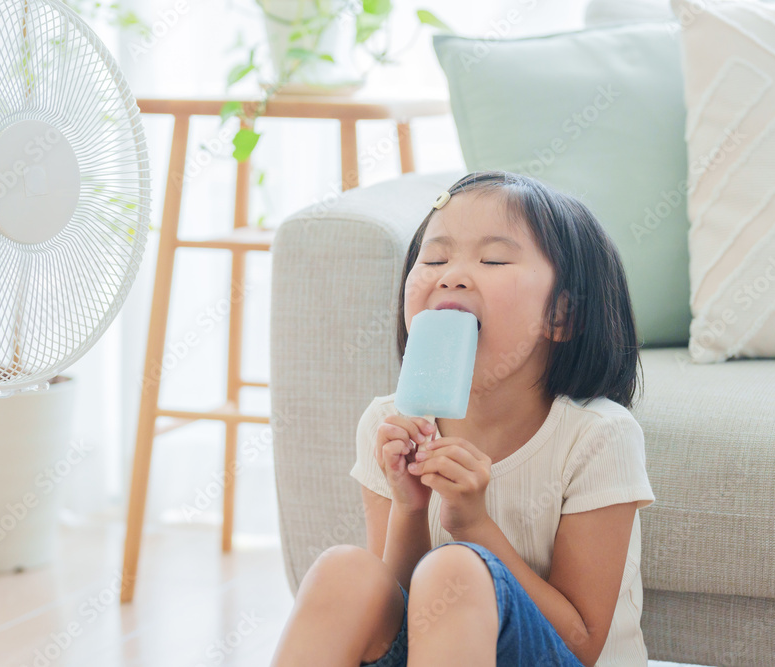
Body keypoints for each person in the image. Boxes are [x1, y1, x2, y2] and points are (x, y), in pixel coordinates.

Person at [269, 171, 656, 666]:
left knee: (455, 568)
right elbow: (399, 613)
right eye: (434, 258)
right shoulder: (388, 424)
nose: (451, 274)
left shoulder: (598, 438)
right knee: (345, 571)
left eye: (493, 259)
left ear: (562, 315)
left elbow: (582, 643)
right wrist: (411, 509)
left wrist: (473, 526)